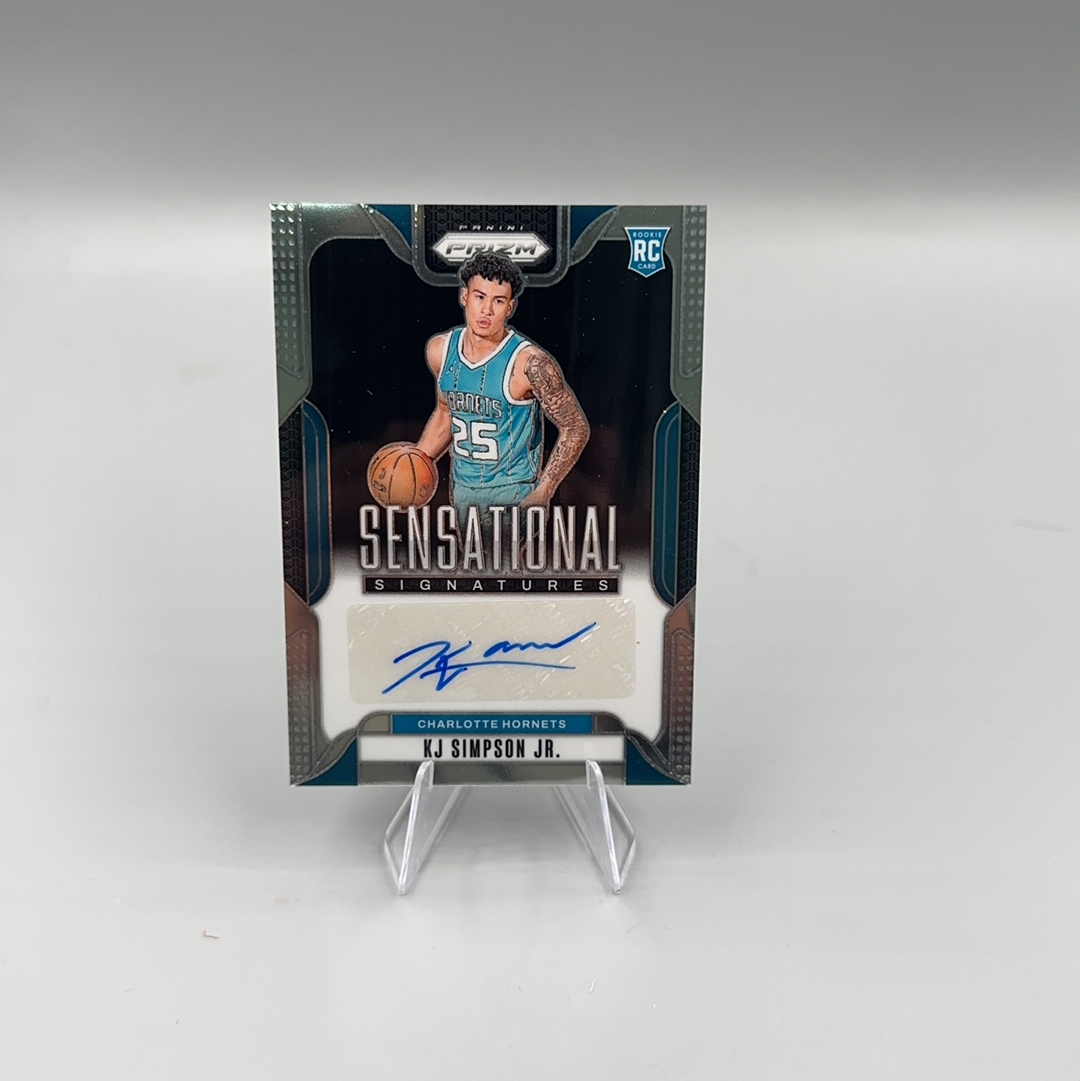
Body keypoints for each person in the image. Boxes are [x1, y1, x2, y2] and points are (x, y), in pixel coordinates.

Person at [416, 252, 589, 534]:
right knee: (475, 559)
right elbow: (446, 412)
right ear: (464, 297)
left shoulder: (530, 364)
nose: (486, 310)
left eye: (498, 301)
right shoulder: (440, 350)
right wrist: (417, 461)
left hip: (512, 492)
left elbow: (575, 427)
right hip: (463, 489)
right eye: (479, 297)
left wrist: (544, 489)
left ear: (510, 307)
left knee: (491, 560)